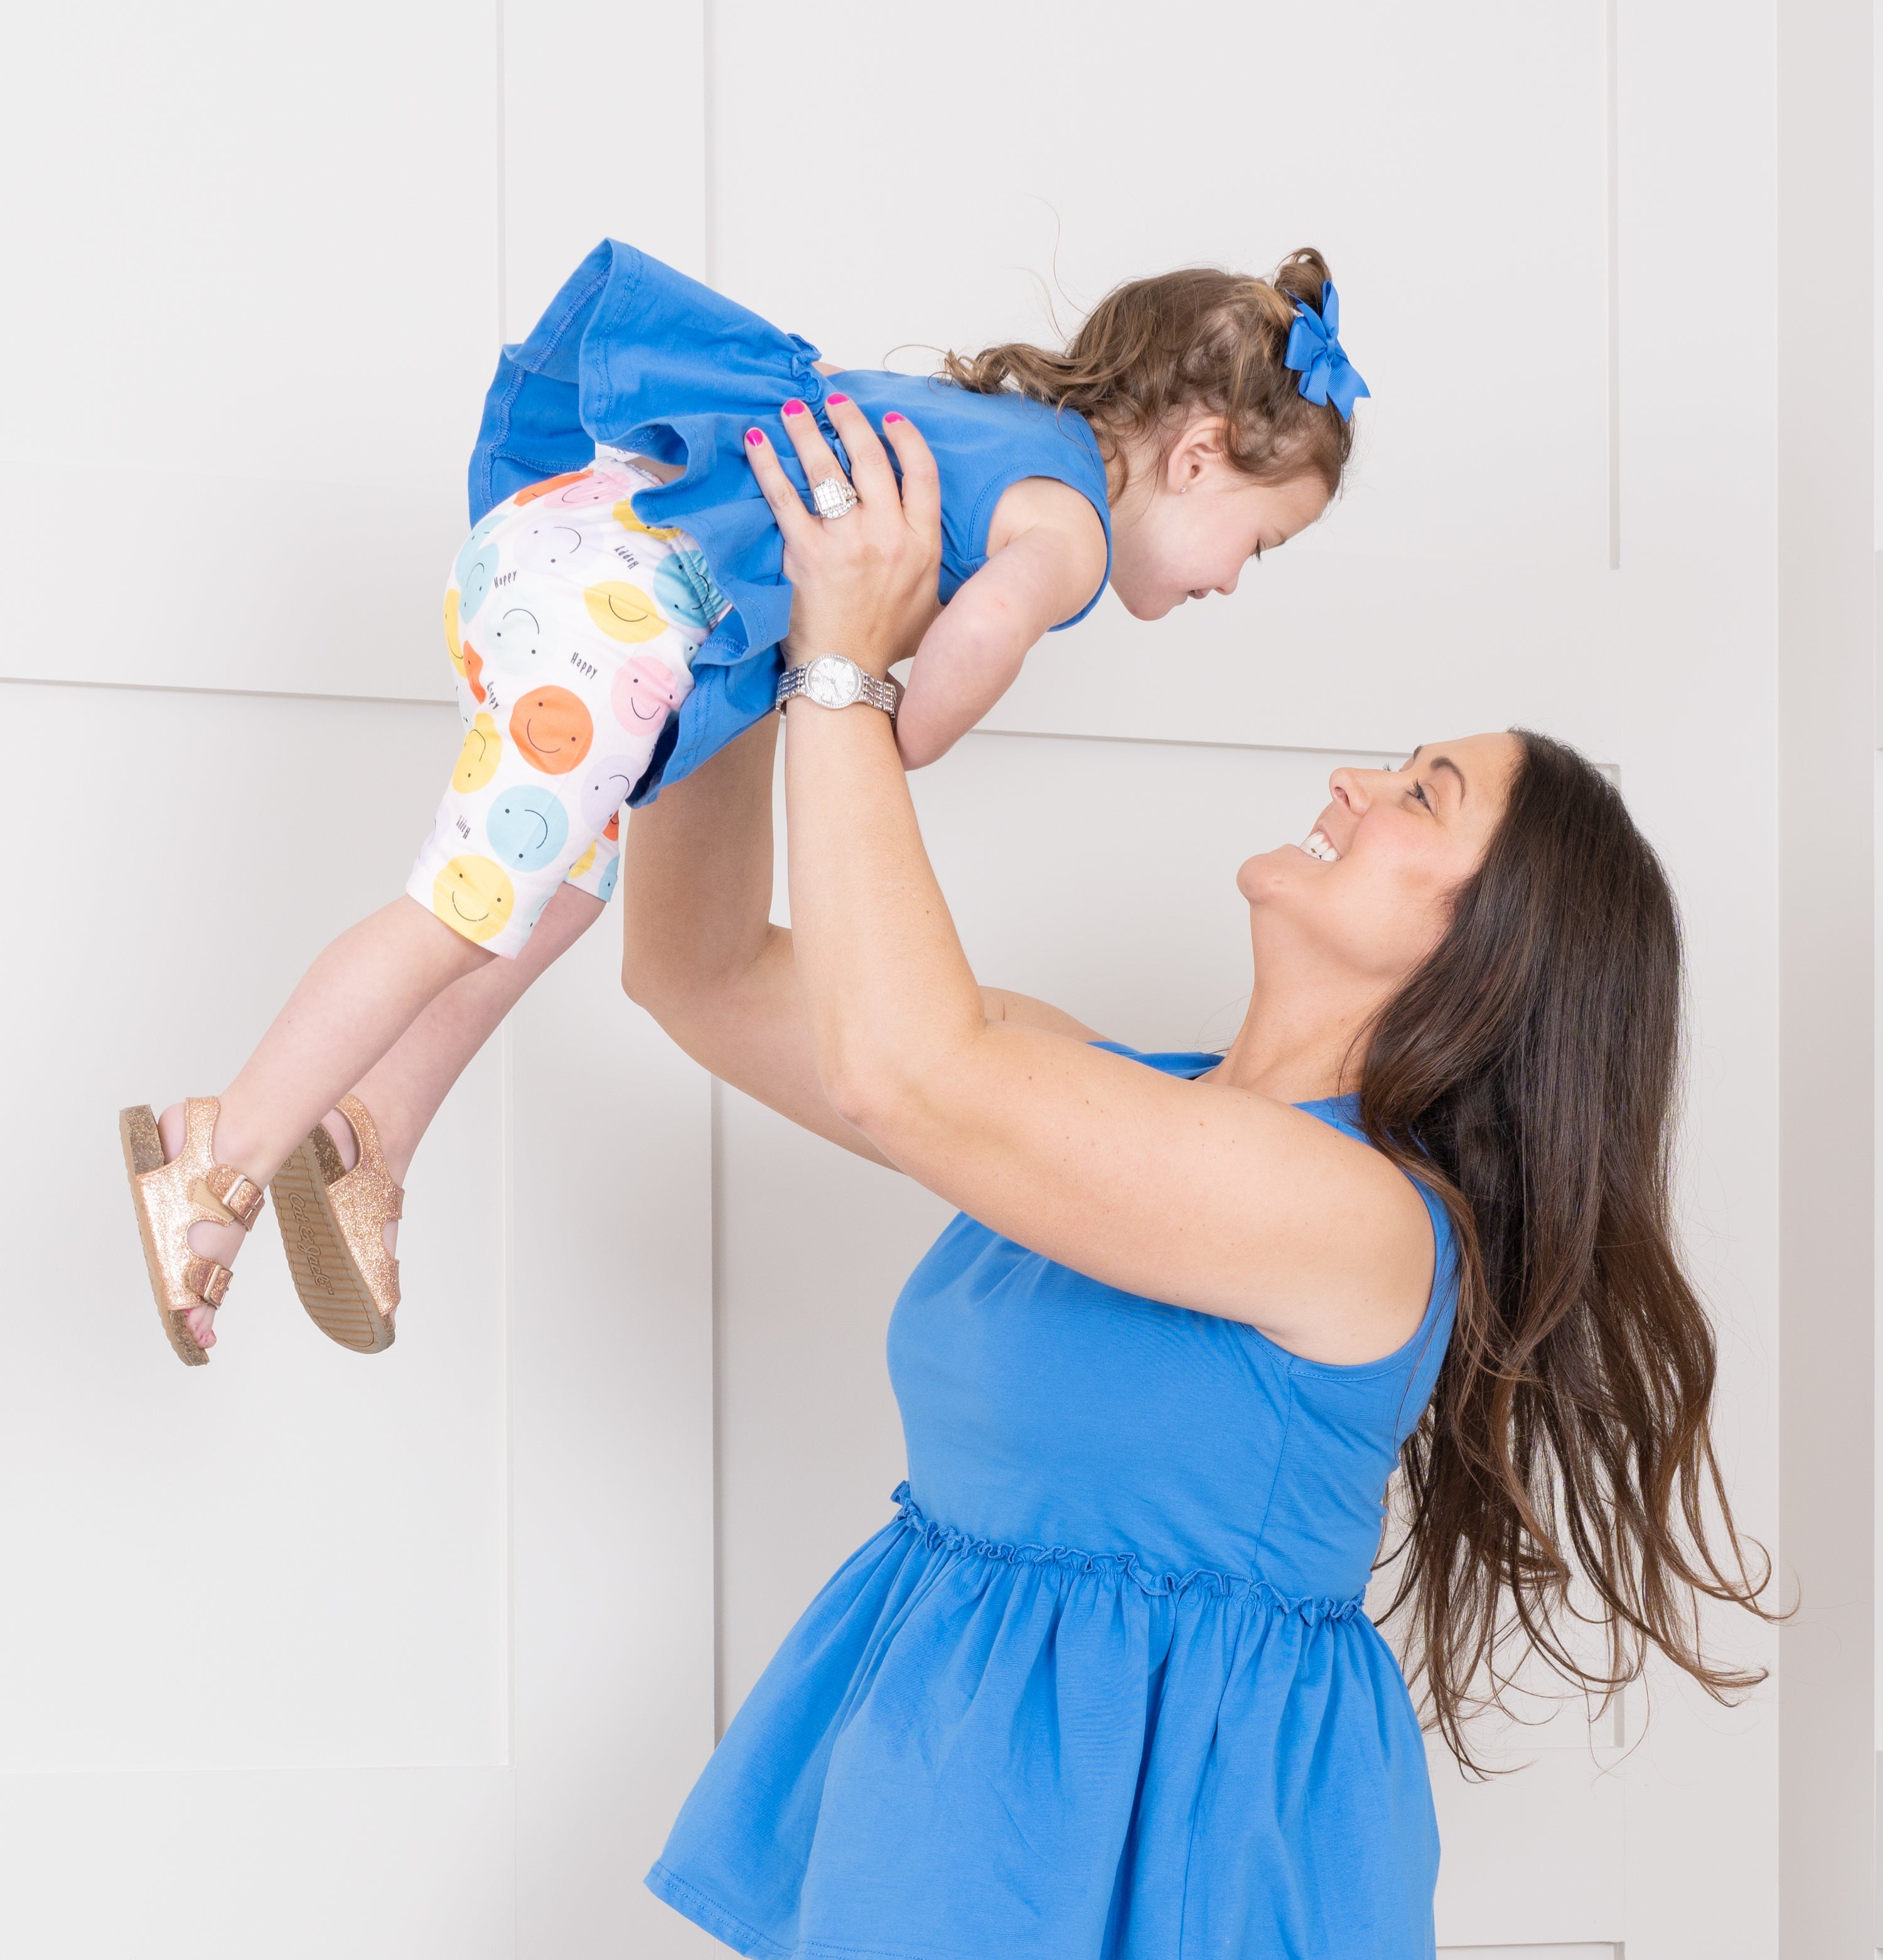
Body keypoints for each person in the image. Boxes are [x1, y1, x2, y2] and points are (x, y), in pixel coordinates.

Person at [625, 396, 1769, 1960]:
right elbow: (697, 973)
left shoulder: (1359, 1224)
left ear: (1490, 951)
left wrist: (852, 667)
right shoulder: (1086, 1095)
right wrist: (713, 631)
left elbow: (903, 1070)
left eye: (1420, 797)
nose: (1352, 783)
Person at [119, 240, 1361, 1366]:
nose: (1233, 582)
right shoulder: (1071, 527)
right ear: (1197, 457)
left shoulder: (997, 428)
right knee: (460, 909)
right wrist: (895, 724)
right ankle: (220, 1147)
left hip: (570, 550)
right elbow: (985, 629)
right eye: (1257, 545)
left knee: (558, 890)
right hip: (626, 615)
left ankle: (370, 1129)